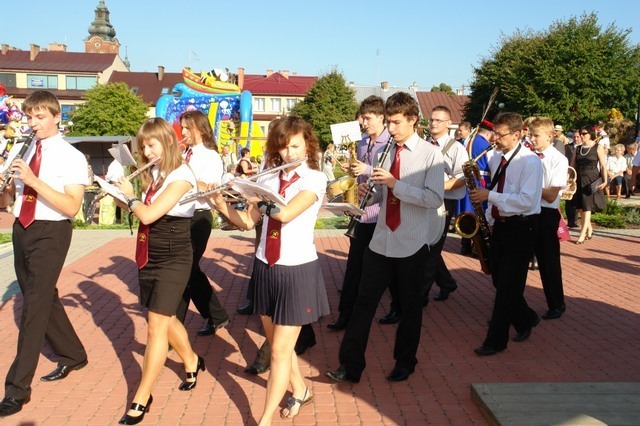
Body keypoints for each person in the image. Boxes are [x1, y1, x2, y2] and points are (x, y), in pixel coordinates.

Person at [208, 116, 329, 424]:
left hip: (297, 270)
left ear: (308, 145)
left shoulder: (315, 179)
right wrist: (221, 204)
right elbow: (247, 223)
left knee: (278, 352)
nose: (290, 153)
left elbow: (285, 214)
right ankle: (300, 389)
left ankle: (264, 420)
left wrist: (256, 197)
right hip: (265, 265)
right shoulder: (268, 179)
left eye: (296, 146)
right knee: (278, 346)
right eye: (284, 147)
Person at [326, 92, 445, 383]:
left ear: (413, 120)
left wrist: (395, 184)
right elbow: (381, 194)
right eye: (388, 122)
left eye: (396, 123)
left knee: (410, 306)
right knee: (363, 303)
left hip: (411, 242)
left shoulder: (430, 155)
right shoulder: (385, 152)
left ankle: (405, 361)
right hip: (381, 240)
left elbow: (433, 199)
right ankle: (350, 366)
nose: (390, 129)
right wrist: (365, 197)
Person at [0, 91, 89, 417]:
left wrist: (33, 180)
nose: (33, 123)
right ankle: (73, 353)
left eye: (40, 117)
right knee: (42, 296)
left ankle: (17, 390)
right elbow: (8, 202)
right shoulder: (22, 151)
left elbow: (72, 206)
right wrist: (5, 188)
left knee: (33, 308)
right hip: (22, 228)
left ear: (56, 117)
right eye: (29, 117)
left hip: (52, 231)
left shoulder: (71, 156)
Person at [113, 118, 203, 425]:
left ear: (167, 142)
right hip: (150, 249)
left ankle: (142, 396)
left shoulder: (182, 175)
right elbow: (136, 209)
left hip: (174, 252)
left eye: (152, 145)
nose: (147, 152)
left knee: (155, 326)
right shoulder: (154, 173)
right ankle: (191, 359)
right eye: (143, 147)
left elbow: (149, 214)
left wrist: (130, 196)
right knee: (163, 315)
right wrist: (114, 192)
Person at [470, 112, 543, 356]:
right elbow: (496, 189)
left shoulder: (530, 162)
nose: (495, 139)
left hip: (522, 227)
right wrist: (489, 220)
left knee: (508, 286)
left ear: (516, 134)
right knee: (498, 278)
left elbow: (526, 200)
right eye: (494, 133)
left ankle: (496, 340)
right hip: (502, 224)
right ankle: (526, 318)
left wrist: (489, 196)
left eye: (500, 135)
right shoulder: (496, 159)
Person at [327, 95, 390, 330]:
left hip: (381, 214)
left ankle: (397, 307)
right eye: (362, 118)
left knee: (382, 268)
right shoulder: (363, 142)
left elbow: (394, 174)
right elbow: (360, 175)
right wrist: (353, 171)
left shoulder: (390, 144)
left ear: (381, 117)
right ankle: (346, 315)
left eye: (368, 118)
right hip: (361, 212)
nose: (363, 123)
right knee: (354, 267)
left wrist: (367, 169)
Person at [175, 110, 230, 336]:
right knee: (188, 270)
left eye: (187, 128)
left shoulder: (210, 156)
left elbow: (211, 189)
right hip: (182, 215)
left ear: (199, 128)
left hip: (199, 216)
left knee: (184, 270)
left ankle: (174, 326)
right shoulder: (184, 154)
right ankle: (216, 316)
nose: (183, 132)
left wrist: (183, 178)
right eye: (182, 127)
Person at [423, 105, 469, 302]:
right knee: (427, 245)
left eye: (438, 120)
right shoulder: (425, 144)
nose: (433, 123)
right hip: (425, 198)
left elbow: (463, 177)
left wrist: (439, 187)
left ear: (449, 124)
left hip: (444, 202)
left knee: (431, 248)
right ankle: (447, 283)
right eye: (431, 119)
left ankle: (421, 295)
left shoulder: (457, 148)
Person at [529, 117, 568, 320]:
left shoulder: (558, 159)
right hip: (527, 211)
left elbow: (552, 194)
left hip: (546, 214)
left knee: (548, 261)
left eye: (536, 136)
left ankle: (556, 303)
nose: (532, 139)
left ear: (550, 136)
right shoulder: (528, 156)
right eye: (531, 135)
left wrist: (527, 188)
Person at [459, 120, 494, 256]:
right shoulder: (486, 145)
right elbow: (491, 164)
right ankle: (477, 247)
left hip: (469, 179)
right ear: (489, 133)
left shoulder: (469, 140)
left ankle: (465, 244)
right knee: (480, 214)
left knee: (469, 212)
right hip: (481, 180)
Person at [572, 125, 607, 245]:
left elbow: (603, 165)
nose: (582, 136)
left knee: (587, 207)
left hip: (592, 179)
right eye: (581, 133)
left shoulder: (598, 147)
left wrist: (605, 181)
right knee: (581, 207)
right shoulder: (578, 148)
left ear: (590, 134)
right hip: (579, 178)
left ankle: (582, 233)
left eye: (584, 133)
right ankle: (589, 229)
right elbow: (572, 165)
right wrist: (569, 179)